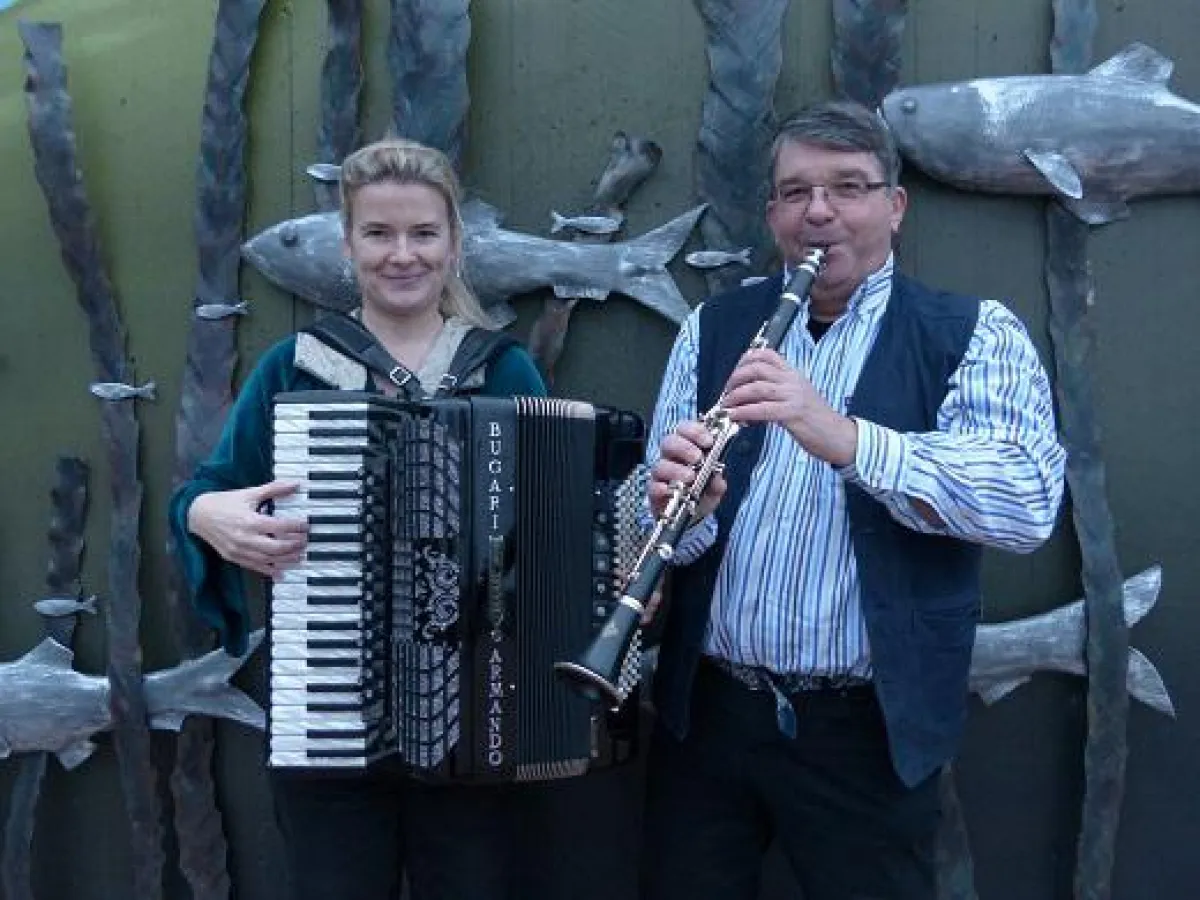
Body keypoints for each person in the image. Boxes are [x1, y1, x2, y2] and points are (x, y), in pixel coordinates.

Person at [639, 100, 1066, 900]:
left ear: (894, 206)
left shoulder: (974, 333)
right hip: (710, 718)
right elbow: (655, 524)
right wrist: (677, 514)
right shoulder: (713, 327)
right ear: (773, 213)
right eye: (796, 192)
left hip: (865, 730)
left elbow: (1025, 501)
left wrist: (844, 437)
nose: (819, 211)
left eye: (848, 187)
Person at [168, 138, 547, 900]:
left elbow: (554, 522)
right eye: (378, 233)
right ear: (347, 245)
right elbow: (206, 492)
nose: (402, 254)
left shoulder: (502, 370)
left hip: (475, 716)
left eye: (423, 233)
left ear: (453, 245)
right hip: (327, 710)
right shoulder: (295, 367)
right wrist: (208, 515)